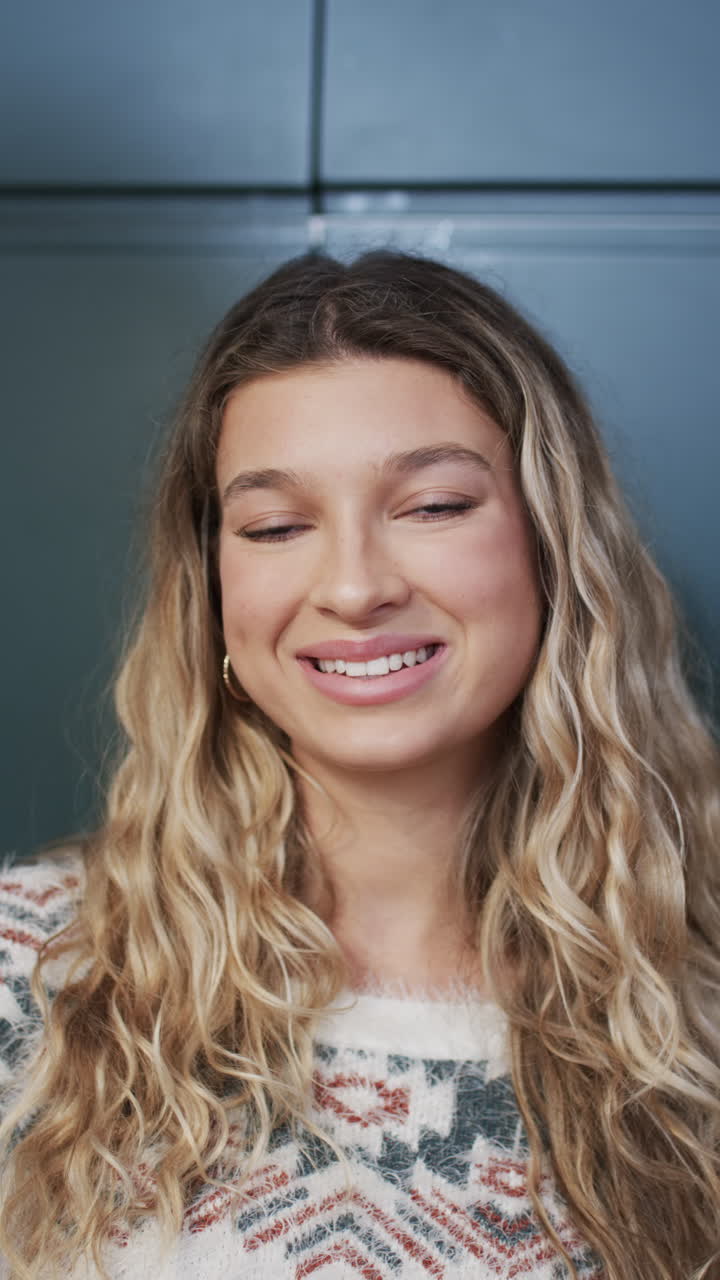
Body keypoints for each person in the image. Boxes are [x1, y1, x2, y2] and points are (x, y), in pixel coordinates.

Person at [0, 250, 718, 1280]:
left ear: (556, 552)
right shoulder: (31, 976)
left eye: (431, 505)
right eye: (276, 525)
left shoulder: (697, 1013)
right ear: (214, 591)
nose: (352, 584)